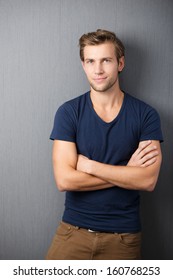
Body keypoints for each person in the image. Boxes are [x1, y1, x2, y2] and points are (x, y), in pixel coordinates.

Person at [46, 29, 163, 260]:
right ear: (83, 65)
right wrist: (127, 172)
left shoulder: (146, 115)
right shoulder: (68, 113)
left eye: (106, 60)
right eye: (90, 61)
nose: (97, 70)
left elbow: (147, 180)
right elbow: (64, 180)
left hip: (123, 238)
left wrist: (90, 167)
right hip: (73, 232)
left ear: (120, 63)